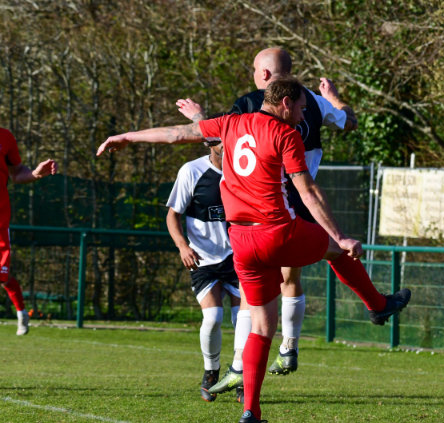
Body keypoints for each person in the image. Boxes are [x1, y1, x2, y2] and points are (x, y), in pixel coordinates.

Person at [97, 76, 410, 423]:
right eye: (302, 107)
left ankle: (251, 411)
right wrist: (339, 235)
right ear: (286, 103)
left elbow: (176, 134)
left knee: (261, 328)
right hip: (278, 232)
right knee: (338, 249)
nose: (303, 115)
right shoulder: (285, 134)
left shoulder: (230, 124)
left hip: (243, 243)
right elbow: (307, 191)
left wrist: (126, 137)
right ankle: (377, 305)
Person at [176, 47, 357, 380]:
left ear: (263, 74)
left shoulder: (248, 105)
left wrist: (198, 118)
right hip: (300, 207)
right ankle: (290, 347)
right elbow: (350, 122)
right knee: (301, 273)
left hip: (261, 210)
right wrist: (333, 98)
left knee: (254, 297)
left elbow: (216, 141)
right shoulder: (314, 101)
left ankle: (239, 368)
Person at [165, 135, 247, 402]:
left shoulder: (245, 169)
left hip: (238, 256)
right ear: (208, 144)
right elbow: (173, 215)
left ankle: (242, 375)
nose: (226, 146)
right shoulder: (192, 171)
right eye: (220, 141)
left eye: (230, 140)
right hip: (203, 259)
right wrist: (182, 247)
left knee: (243, 319)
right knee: (212, 318)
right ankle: (211, 372)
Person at [0, 128, 57, 336]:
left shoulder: (5, 137)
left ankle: (21, 312)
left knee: (3, 277)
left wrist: (35, 173)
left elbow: (16, 173)